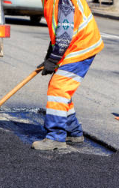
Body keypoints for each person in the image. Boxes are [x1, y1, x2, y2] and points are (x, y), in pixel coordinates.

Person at [31, 0, 104, 150]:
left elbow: (65, 34)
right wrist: (49, 58)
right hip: (76, 45)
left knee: (58, 87)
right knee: (61, 90)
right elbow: (58, 32)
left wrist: (53, 60)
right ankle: (74, 132)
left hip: (82, 47)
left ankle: (56, 137)